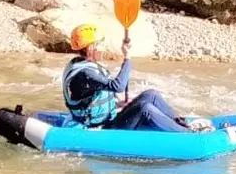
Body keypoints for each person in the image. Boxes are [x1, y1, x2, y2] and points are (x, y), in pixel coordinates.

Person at [61, 23, 213, 132]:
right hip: (101, 127)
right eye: (100, 44)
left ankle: (182, 124)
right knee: (144, 108)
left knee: (151, 95)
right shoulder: (85, 73)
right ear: (91, 47)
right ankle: (187, 136)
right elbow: (118, 86)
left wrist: (118, 104)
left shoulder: (84, 66)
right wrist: (127, 58)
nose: (103, 47)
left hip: (108, 118)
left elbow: (94, 95)